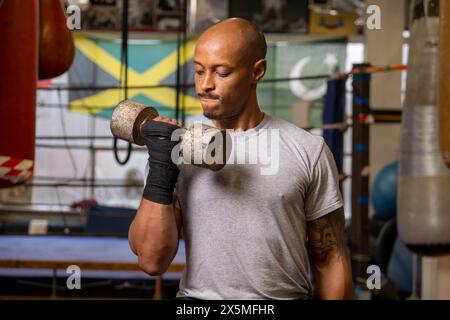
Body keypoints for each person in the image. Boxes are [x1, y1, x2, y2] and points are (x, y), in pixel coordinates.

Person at [128, 17, 355, 300]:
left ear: (257, 71)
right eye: (199, 71)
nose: (205, 85)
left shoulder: (307, 149)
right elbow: (151, 260)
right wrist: (162, 164)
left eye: (221, 73)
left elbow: (331, 258)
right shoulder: (177, 151)